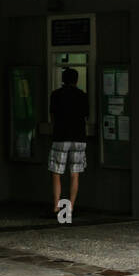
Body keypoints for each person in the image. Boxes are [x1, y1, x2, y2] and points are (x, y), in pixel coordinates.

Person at [49, 67, 88, 222]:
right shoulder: (82, 95)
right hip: (79, 137)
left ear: (63, 79)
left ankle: (56, 207)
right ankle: (70, 206)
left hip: (60, 136)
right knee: (75, 173)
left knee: (56, 172)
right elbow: (86, 115)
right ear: (76, 80)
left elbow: (52, 115)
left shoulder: (56, 95)